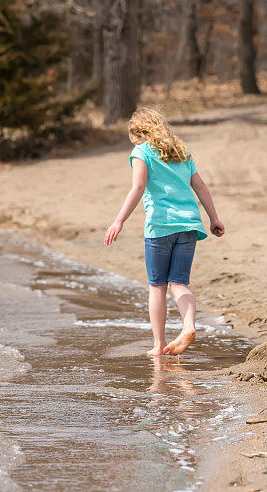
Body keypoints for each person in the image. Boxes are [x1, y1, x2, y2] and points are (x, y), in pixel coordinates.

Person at [104, 108, 225, 356]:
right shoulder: (181, 151)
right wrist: (214, 218)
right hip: (189, 224)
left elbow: (138, 187)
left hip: (160, 226)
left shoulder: (141, 152)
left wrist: (119, 220)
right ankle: (188, 325)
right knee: (179, 283)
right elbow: (200, 187)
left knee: (157, 286)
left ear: (137, 133)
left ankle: (158, 345)